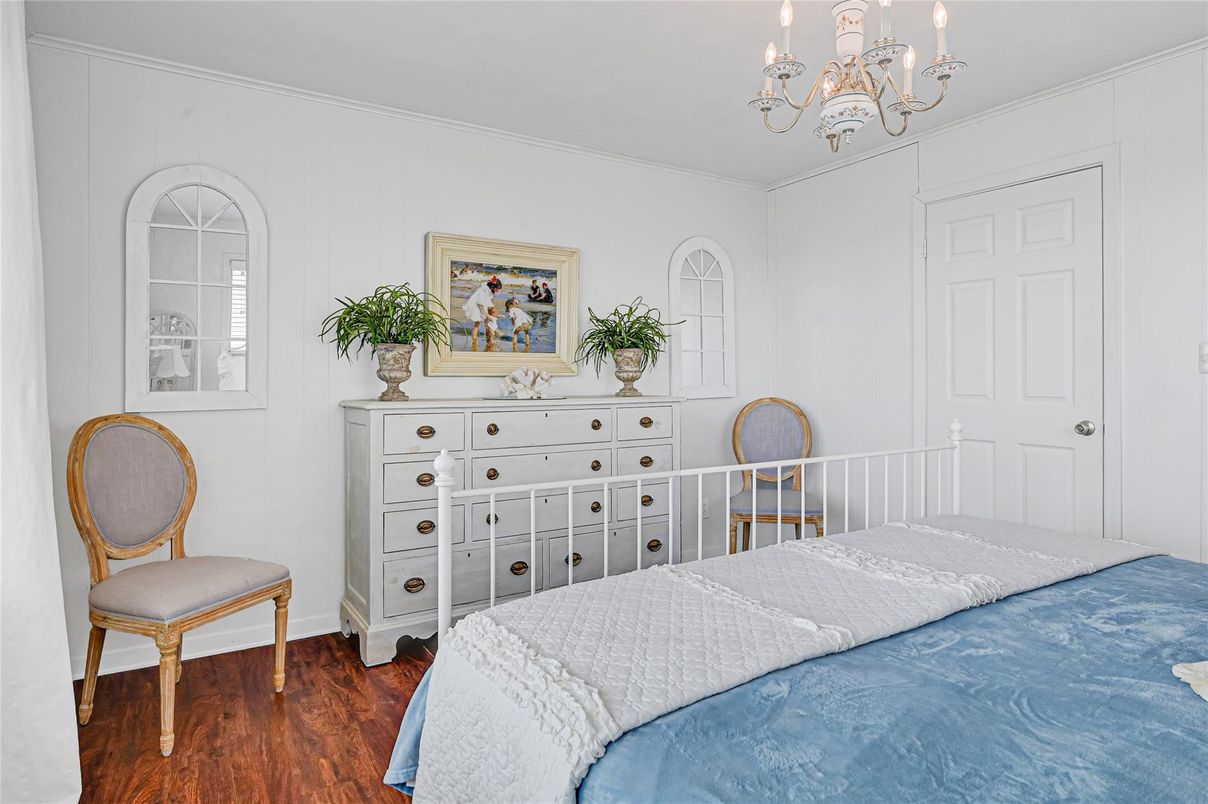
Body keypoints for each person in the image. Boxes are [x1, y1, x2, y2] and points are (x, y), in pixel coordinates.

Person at [461, 277, 501, 351]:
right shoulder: (484, 290)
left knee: (486, 322)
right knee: (477, 324)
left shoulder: (488, 290)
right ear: (493, 286)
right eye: (497, 288)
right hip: (475, 306)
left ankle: (488, 339)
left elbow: (485, 302)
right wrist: (485, 314)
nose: (498, 290)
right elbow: (481, 303)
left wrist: (486, 314)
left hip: (480, 305)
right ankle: (475, 341)